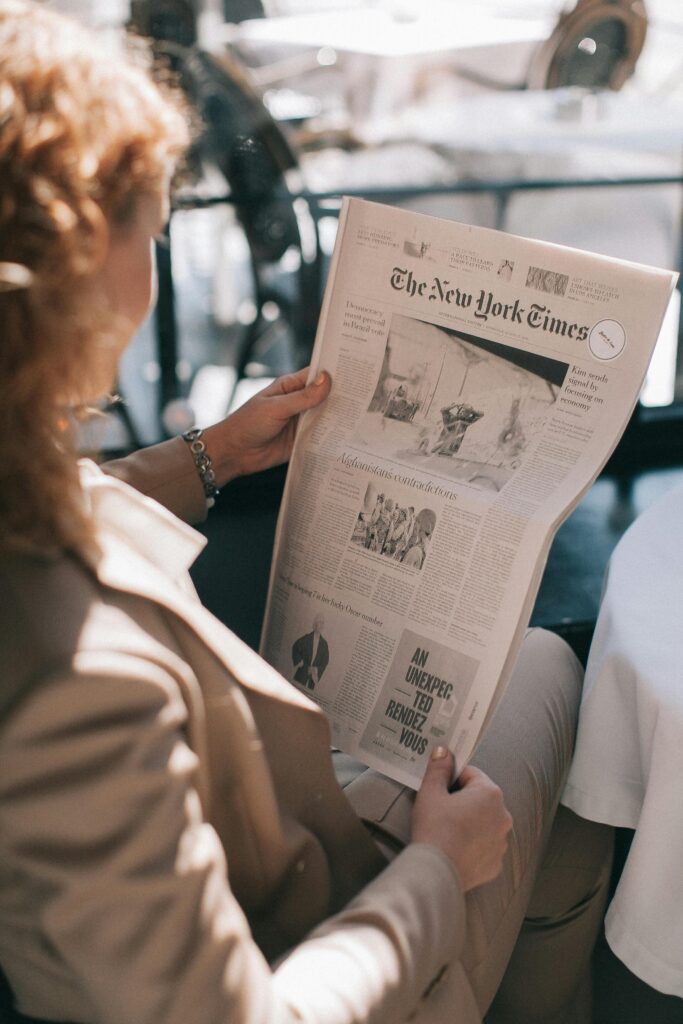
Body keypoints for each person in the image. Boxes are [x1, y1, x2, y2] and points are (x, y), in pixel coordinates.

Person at [0, 6, 613, 1024]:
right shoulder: (77, 689)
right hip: (317, 939)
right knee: (556, 691)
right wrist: (434, 868)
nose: (158, 255)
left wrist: (214, 454)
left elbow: (49, 503)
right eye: (151, 224)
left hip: (271, 846)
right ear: (80, 264)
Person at [292, 614, 330, 690]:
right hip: (301, 674)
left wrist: (316, 669)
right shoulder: (306, 638)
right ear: (315, 624)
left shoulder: (324, 644)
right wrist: (300, 662)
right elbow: (295, 647)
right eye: (319, 622)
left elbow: (325, 661)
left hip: (311, 680)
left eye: (323, 623)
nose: (321, 625)